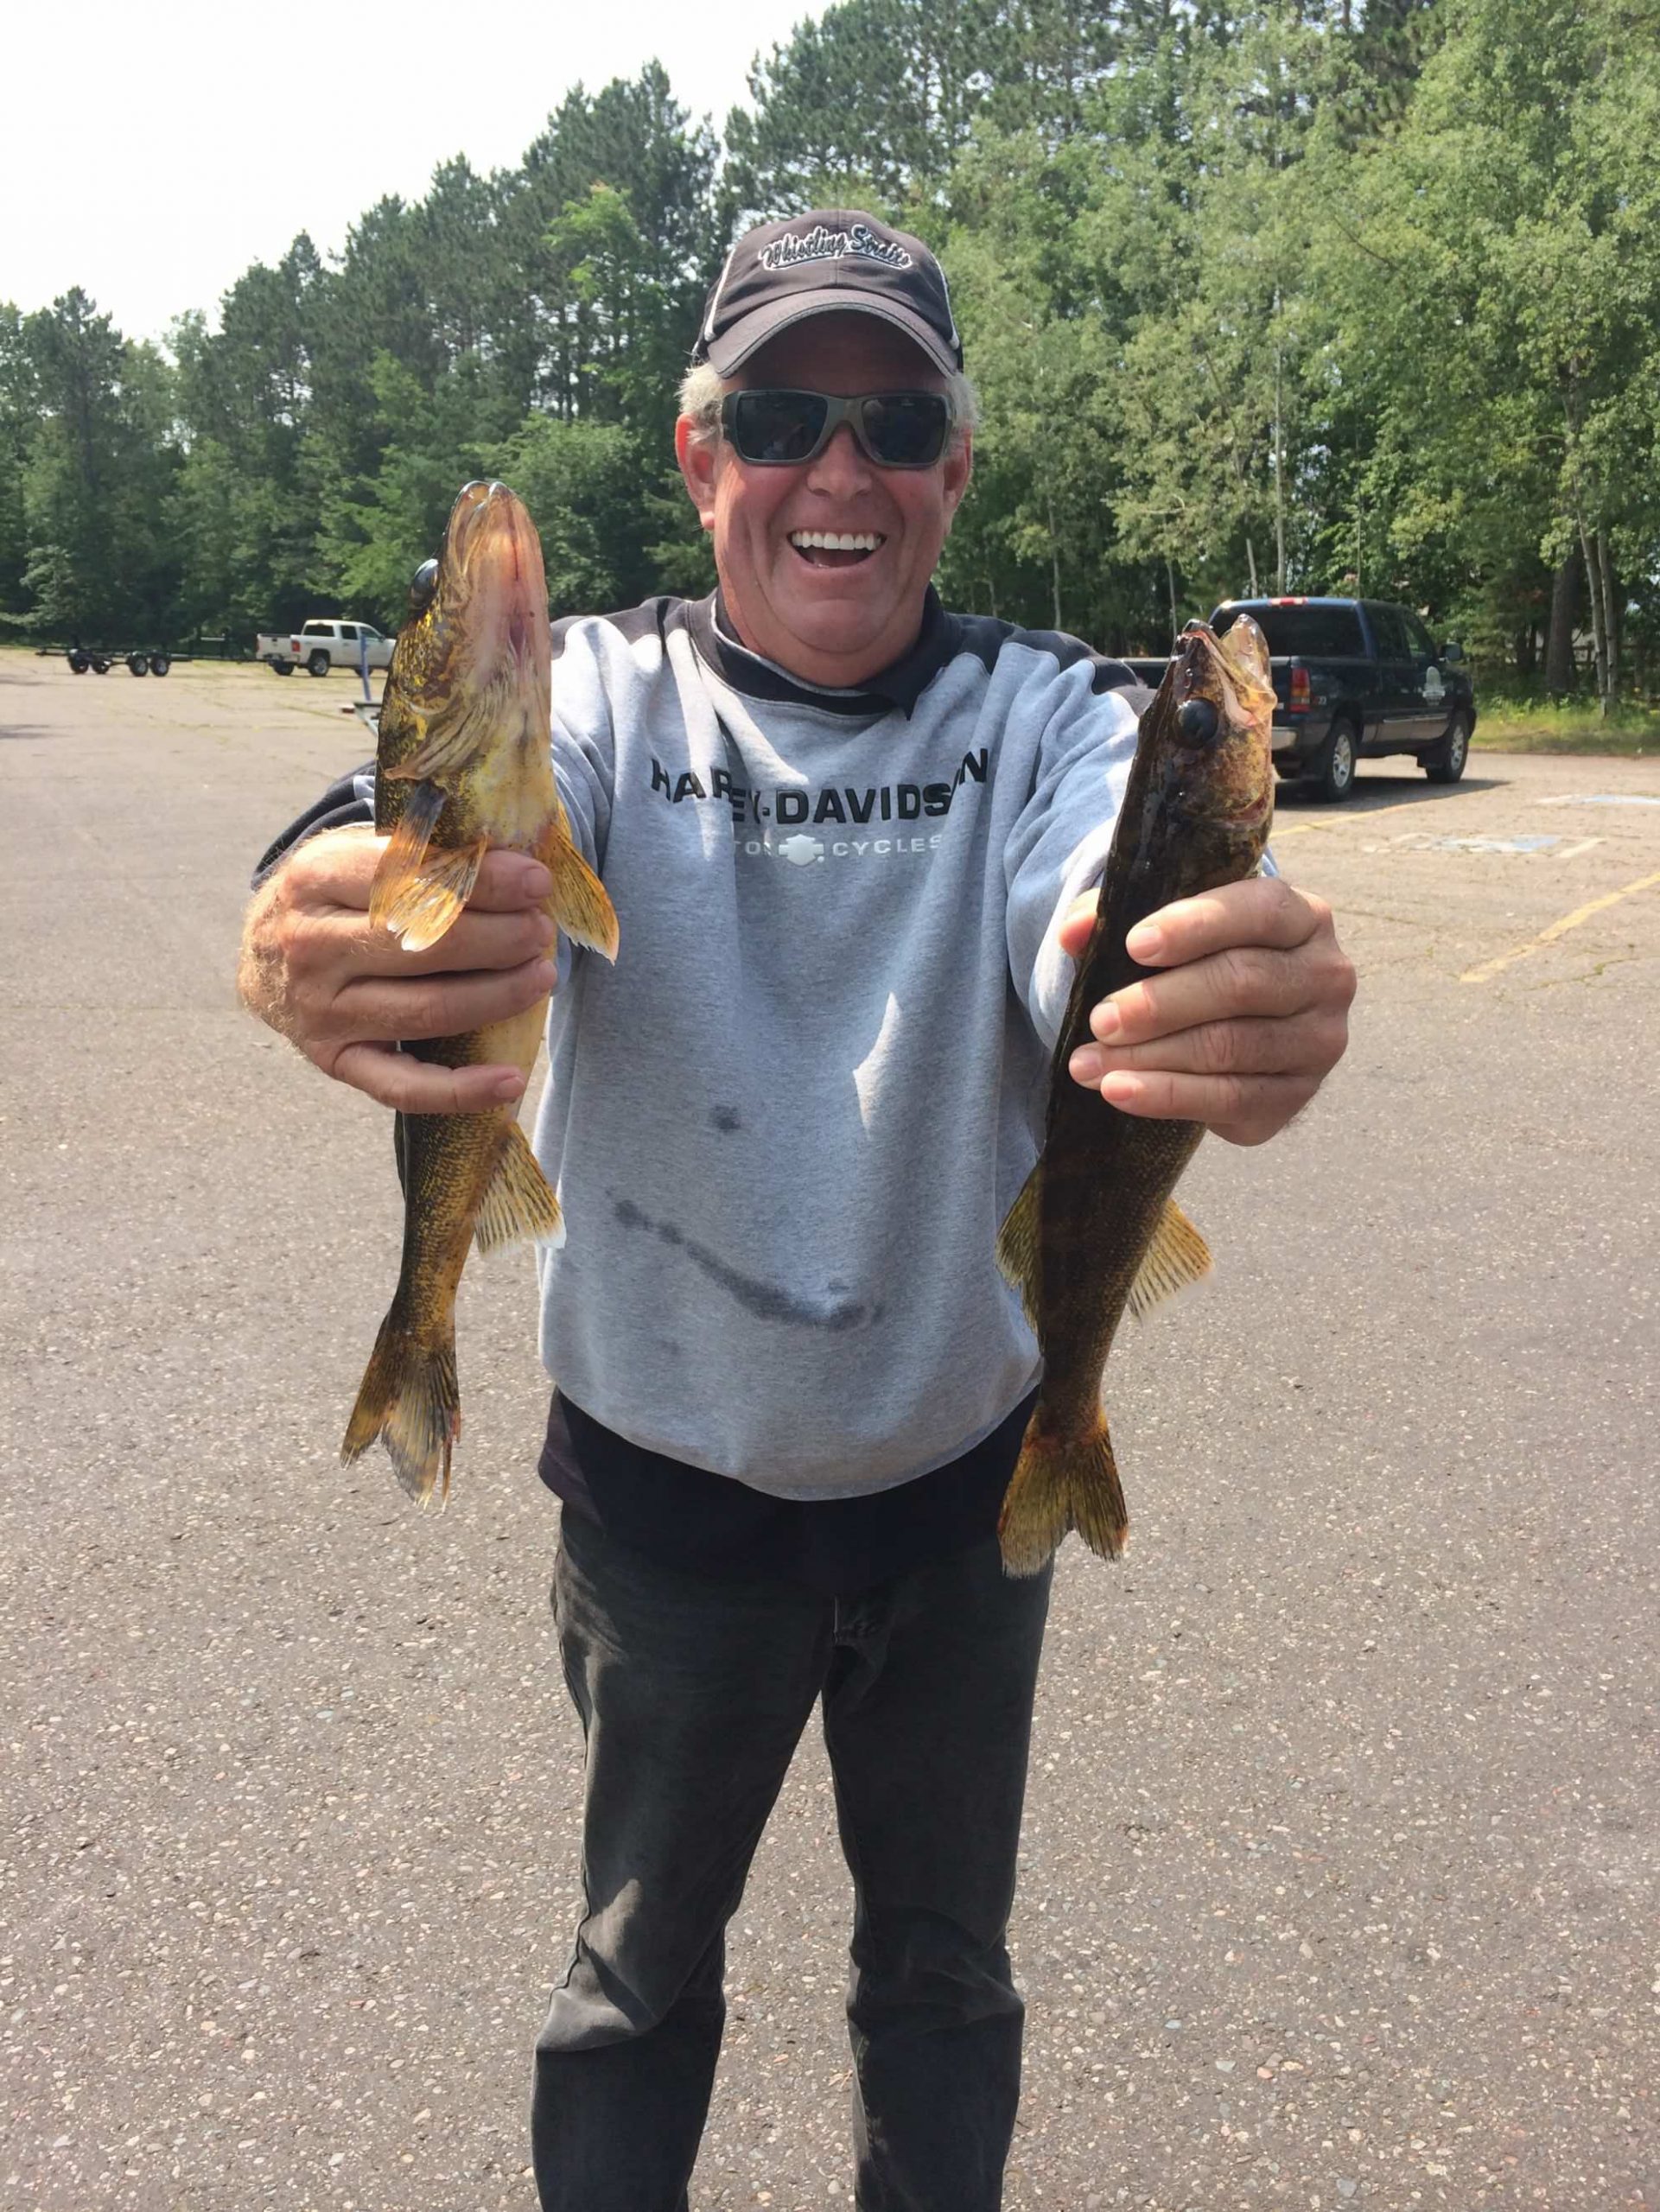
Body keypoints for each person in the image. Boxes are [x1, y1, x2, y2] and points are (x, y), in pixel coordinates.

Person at [237, 210, 1356, 2212]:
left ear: (952, 465)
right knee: (631, 1979)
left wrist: (1206, 983)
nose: (835, 468)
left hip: (963, 1490)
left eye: (891, 417)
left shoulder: (1047, 716)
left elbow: (1084, 920)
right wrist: (303, 897)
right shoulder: (592, 690)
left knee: (941, 1983)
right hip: (664, 1507)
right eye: (778, 411)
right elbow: (413, 800)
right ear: (700, 456)